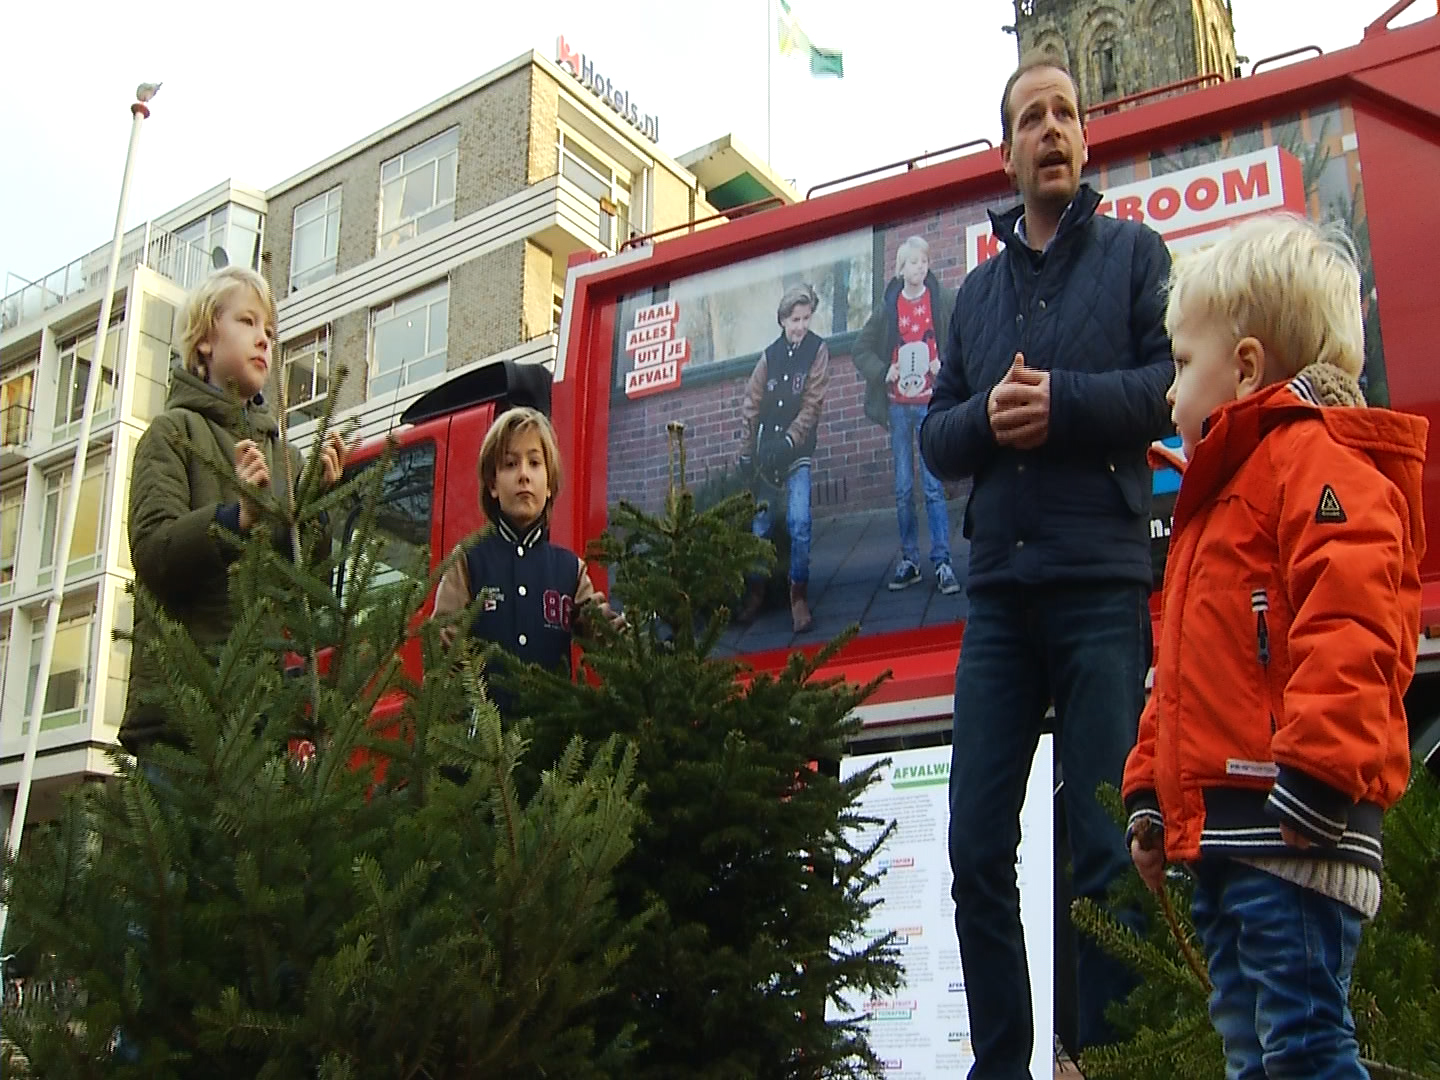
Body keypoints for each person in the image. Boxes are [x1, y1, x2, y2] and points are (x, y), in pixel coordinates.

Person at [1124, 214, 1425, 1080]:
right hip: (1233, 835)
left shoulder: (1317, 465)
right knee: (1253, 1049)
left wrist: (1320, 775)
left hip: (1295, 830)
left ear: (1247, 367)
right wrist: (1150, 790)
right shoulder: (1217, 498)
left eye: (1184, 364)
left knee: (1301, 1044)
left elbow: (1356, 626)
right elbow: (1181, 675)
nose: (1169, 394)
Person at [919, 55, 1175, 1076]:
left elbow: (1166, 387)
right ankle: (1003, 1065)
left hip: (1102, 588)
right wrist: (987, 417)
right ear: (1009, 152)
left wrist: (1060, 403)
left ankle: (1110, 1063)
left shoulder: (1135, 255)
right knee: (976, 849)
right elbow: (935, 436)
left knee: (1108, 850)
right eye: (1032, 118)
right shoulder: (976, 297)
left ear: (1085, 137)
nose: (1052, 129)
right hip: (999, 605)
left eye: (1065, 112)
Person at [120, 266, 344, 755]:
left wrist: (318, 507)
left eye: (270, 331)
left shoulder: (287, 458)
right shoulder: (172, 432)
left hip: (262, 717)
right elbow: (153, 552)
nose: (264, 339)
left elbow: (305, 585)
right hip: (182, 721)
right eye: (247, 321)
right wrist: (233, 519)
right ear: (204, 340)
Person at [431, 406, 614, 717]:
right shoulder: (469, 559)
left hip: (553, 741)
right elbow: (443, 648)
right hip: (485, 741)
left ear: (550, 484)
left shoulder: (569, 570)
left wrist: (630, 639)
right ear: (492, 484)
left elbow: (602, 629)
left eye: (534, 463)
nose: (524, 475)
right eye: (510, 464)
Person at [852, 236, 960, 595]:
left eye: (924, 261)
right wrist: (885, 371)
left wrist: (945, 364)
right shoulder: (888, 308)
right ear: (900, 269)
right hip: (898, 406)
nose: (920, 267)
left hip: (931, 403)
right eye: (913, 262)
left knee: (932, 486)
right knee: (902, 488)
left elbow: (961, 334)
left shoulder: (940, 300)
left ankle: (942, 561)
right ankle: (910, 560)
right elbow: (860, 349)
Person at [736, 283, 832, 634]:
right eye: (795, 320)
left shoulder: (818, 351)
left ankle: (798, 595)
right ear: (782, 320)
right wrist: (747, 452)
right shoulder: (769, 357)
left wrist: (791, 440)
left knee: (799, 522)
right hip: (767, 455)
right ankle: (757, 591)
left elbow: (813, 402)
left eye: (806, 319)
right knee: (760, 526)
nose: (801, 326)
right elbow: (751, 404)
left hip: (797, 452)